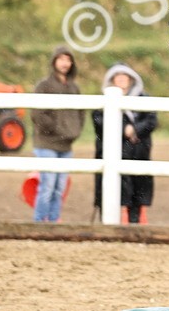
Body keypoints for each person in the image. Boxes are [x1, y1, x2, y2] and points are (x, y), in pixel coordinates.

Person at [93, 63, 157, 224]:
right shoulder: (102, 101)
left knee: (136, 194)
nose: (121, 79)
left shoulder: (144, 99)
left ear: (131, 79)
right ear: (112, 79)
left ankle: (134, 227)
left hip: (138, 153)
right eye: (117, 76)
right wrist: (123, 129)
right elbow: (98, 122)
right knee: (109, 192)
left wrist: (135, 129)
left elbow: (152, 120)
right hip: (111, 153)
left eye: (124, 75)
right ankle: (106, 226)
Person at [31, 46, 83, 222]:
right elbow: (37, 114)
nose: (65, 63)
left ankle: (54, 222)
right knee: (47, 186)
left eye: (67, 59)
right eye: (61, 59)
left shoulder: (74, 87)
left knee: (59, 188)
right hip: (47, 144)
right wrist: (56, 129)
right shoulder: (44, 86)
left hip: (66, 145)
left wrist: (74, 130)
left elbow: (80, 113)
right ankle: (39, 223)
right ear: (54, 62)